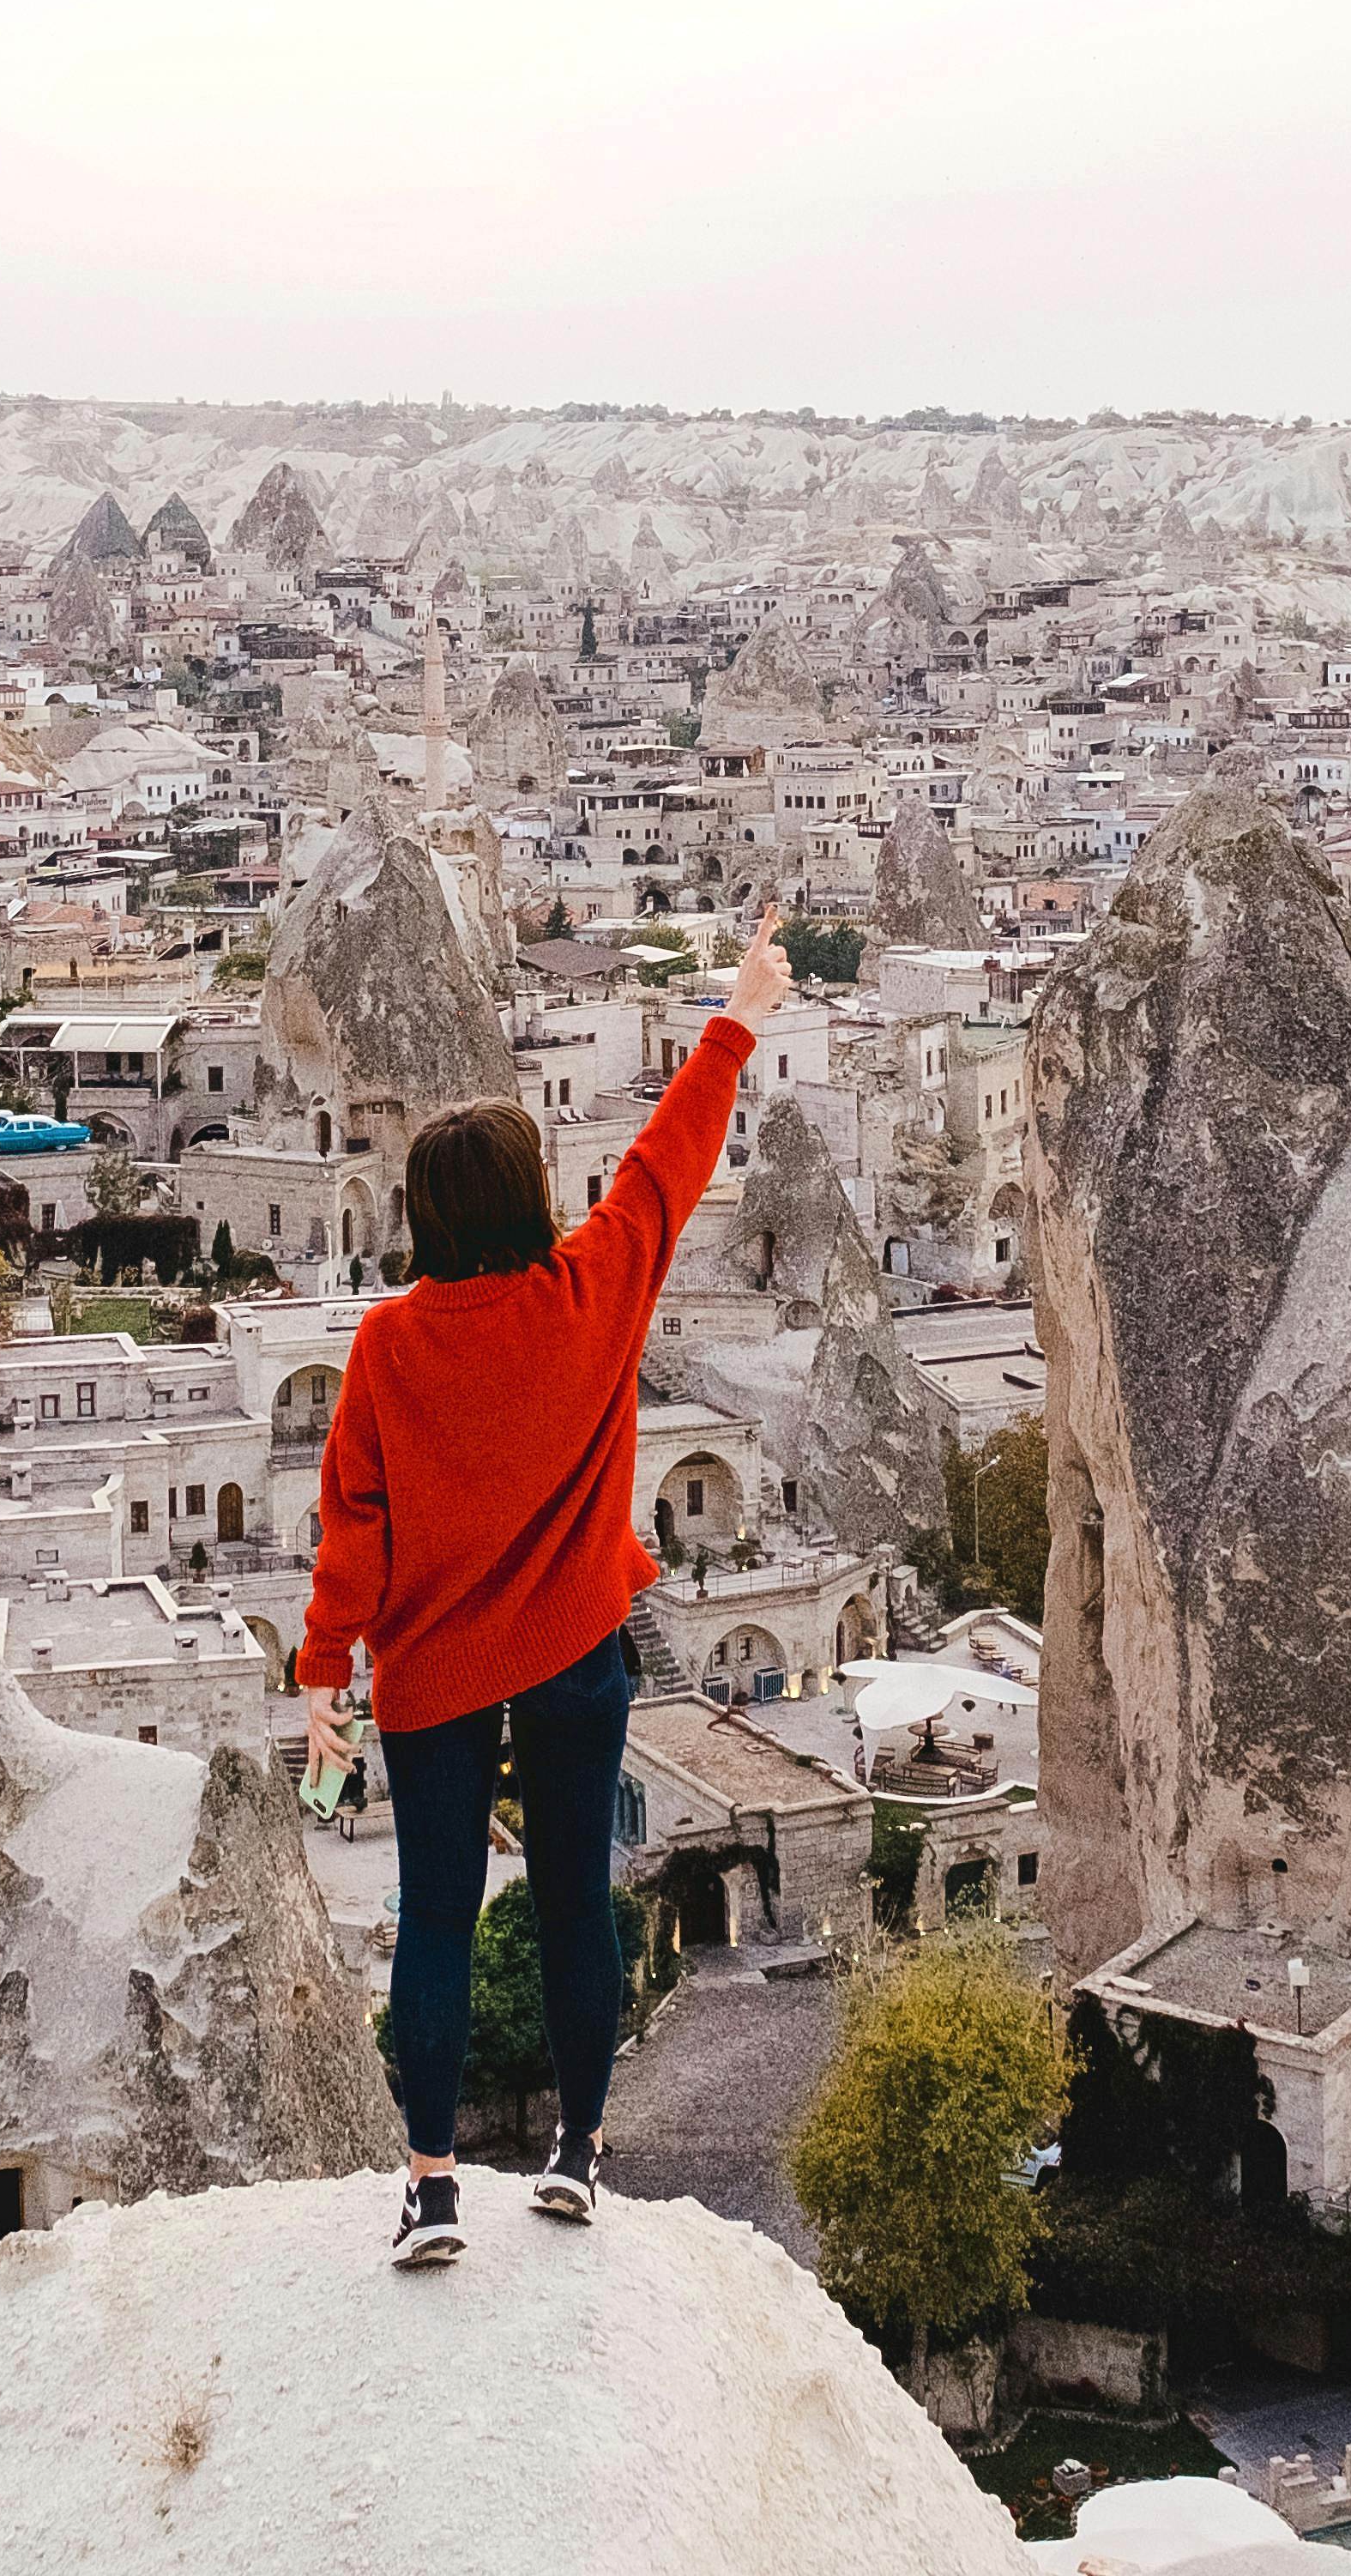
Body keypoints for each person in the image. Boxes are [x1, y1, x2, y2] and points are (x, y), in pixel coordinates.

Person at [299, 908, 787, 2269]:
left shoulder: (391, 1346)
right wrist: (739, 1009)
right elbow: (669, 1159)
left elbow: (355, 1526)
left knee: (437, 1917)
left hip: (438, 1676)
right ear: (529, 1198)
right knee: (577, 1897)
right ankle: (575, 2155)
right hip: (577, 1651)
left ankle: (436, 2183)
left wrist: (324, 1681)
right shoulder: (592, 1291)